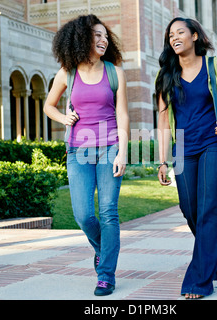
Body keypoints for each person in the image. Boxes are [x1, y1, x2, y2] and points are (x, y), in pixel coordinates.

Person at [43, 14, 129, 296]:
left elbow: (122, 114)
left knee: (108, 212)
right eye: (97, 35)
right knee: (82, 215)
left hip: (109, 147)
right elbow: (49, 106)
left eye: (106, 36)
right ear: (82, 38)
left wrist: (123, 152)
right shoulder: (67, 72)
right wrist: (63, 117)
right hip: (78, 150)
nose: (104, 40)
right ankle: (103, 250)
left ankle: (105, 275)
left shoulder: (115, 72)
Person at [155, 17, 217, 299]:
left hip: (214, 144)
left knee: (208, 208)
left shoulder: (215, 66)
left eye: (180, 32)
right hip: (183, 149)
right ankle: (216, 251)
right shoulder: (166, 75)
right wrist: (162, 160)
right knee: (188, 208)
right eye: (170, 35)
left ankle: (199, 281)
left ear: (194, 36)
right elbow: (164, 121)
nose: (174, 37)